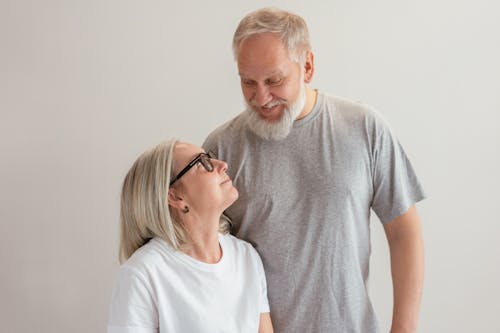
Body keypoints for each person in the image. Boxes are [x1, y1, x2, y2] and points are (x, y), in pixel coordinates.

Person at [203, 7, 425, 333]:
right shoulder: (222, 148)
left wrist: (404, 328)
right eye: (248, 82)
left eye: (274, 80)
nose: (260, 97)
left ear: (307, 66)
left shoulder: (364, 128)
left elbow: (405, 232)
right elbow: (203, 255)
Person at [107, 139, 274, 333]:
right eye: (201, 162)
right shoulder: (143, 273)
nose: (222, 165)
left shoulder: (246, 257)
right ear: (175, 197)